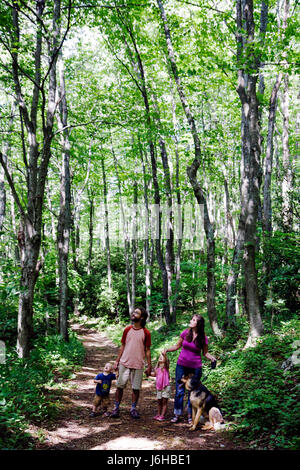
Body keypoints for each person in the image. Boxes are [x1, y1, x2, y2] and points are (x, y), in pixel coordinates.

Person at [164, 314, 216, 424]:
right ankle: (177, 414)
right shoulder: (185, 332)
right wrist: (167, 350)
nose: (190, 321)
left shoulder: (203, 338)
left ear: (198, 324)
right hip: (181, 365)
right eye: (191, 319)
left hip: (195, 368)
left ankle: (190, 416)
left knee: (192, 392)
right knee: (179, 389)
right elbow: (177, 346)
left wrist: (212, 358)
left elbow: (205, 353)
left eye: (193, 320)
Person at [111, 306, 152, 419]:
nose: (133, 314)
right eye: (134, 312)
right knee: (120, 386)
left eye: (137, 313)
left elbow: (148, 350)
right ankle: (116, 408)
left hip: (138, 364)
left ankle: (133, 409)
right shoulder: (127, 330)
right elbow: (122, 346)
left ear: (142, 317)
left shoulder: (146, 333)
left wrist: (149, 366)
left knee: (136, 388)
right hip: (125, 362)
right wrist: (117, 361)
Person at [150, 351, 171, 421]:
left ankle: (162, 415)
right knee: (159, 401)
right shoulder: (157, 369)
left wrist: (165, 355)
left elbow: (166, 362)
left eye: (163, 357)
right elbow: (153, 374)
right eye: (160, 357)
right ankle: (158, 414)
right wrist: (148, 373)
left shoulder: (166, 368)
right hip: (159, 387)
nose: (161, 358)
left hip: (166, 386)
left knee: (164, 402)